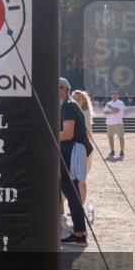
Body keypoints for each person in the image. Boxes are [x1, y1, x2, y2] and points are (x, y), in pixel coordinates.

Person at [59, 78, 90, 245]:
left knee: (72, 194)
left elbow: (67, 134)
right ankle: (76, 230)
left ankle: (79, 233)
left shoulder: (68, 106)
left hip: (69, 154)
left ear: (63, 89)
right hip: (70, 153)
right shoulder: (68, 105)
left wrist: (44, 136)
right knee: (72, 193)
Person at [73, 89, 96, 222]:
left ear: (84, 100)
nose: (76, 100)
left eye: (79, 98)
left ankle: (79, 206)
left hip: (83, 148)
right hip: (77, 147)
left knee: (81, 179)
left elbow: (86, 135)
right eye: (74, 98)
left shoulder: (84, 113)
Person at [103, 90, 125, 158]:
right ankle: (112, 150)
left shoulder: (120, 102)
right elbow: (105, 112)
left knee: (121, 137)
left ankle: (122, 150)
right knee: (110, 137)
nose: (114, 96)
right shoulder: (108, 103)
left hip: (118, 122)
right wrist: (112, 111)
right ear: (111, 96)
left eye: (115, 95)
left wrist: (110, 108)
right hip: (109, 122)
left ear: (117, 96)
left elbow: (117, 111)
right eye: (113, 95)